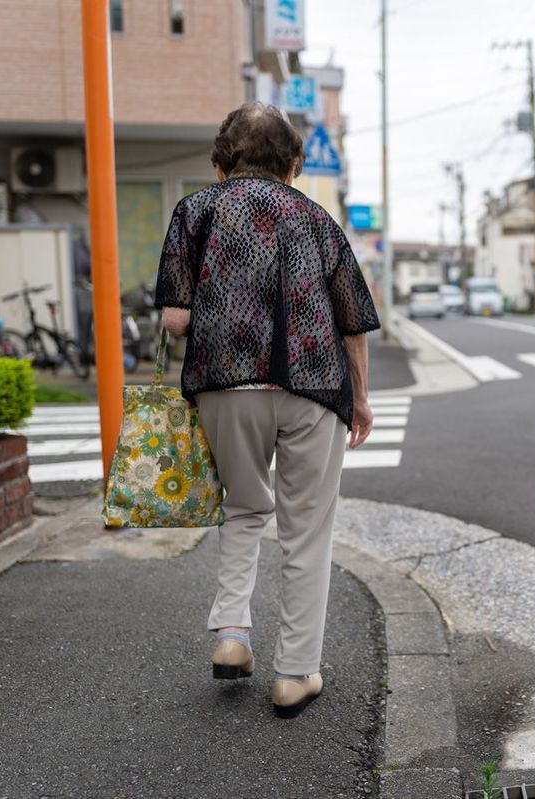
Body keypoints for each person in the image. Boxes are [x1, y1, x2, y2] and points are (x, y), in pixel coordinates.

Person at [154, 103, 380, 719]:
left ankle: (232, 634)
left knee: (244, 509)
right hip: (313, 385)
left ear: (218, 161)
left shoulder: (194, 211)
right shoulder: (318, 220)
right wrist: (359, 398)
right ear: (296, 163)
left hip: (226, 386)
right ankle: (295, 673)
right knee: (307, 529)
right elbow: (353, 320)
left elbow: (175, 321)